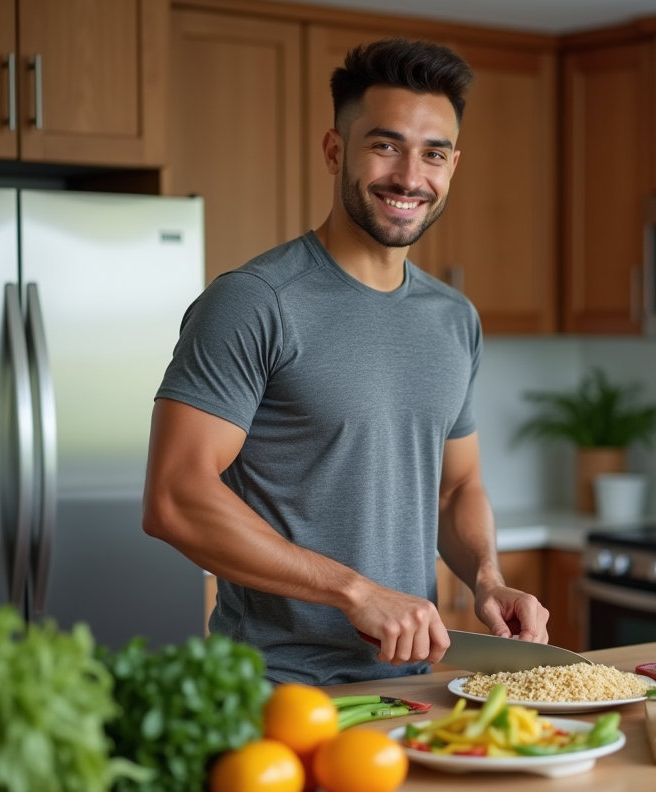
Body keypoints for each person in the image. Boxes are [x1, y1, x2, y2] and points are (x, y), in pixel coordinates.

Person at [141, 37, 550, 686]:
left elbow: (455, 488)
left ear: (452, 166)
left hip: (412, 692)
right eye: (385, 145)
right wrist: (354, 592)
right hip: (275, 694)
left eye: (433, 154)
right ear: (335, 151)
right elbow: (174, 496)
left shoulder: (454, 319)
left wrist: (488, 579)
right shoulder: (254, 303)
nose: (410, 177)